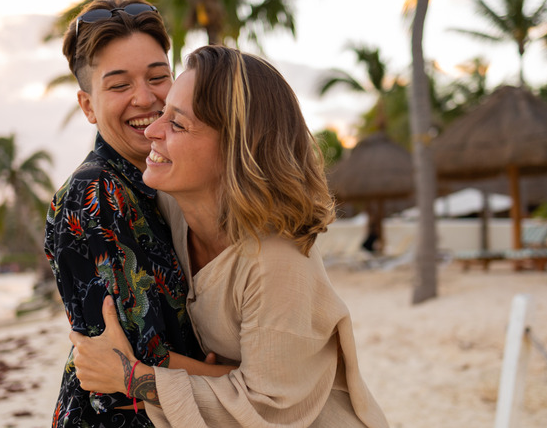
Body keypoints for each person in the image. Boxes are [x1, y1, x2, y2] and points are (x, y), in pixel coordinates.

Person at [70, 45, 389, 427]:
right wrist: (205, 372)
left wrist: (132, 377)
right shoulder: (170, 209)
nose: (153, 130)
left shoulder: (277, 260)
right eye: (163, 113)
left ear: (235, 149)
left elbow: (269, 407)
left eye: (177, 124)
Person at [44, 0, 226, 427]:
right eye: (119, 85)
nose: (145, 99)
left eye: (158, 77)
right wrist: (246, 382)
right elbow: (130, 365)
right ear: (88, 106)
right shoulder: (97, 191)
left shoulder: (162, 181)